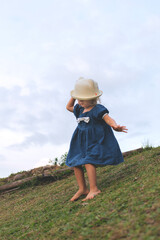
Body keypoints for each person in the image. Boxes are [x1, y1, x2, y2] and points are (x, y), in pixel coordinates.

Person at [66, 77, 128, 201]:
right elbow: (68, 107)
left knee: (89, 161)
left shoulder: (98, 109)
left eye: (83, 99)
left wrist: (114, 126)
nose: (80, 102)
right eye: (79, 99)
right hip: (80, 140)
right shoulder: (79, 108)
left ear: (93, 98)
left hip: (95, 140)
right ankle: (83, 189)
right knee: (75, 162)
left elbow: (108, 118)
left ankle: (94, 189)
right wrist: (75, 94)